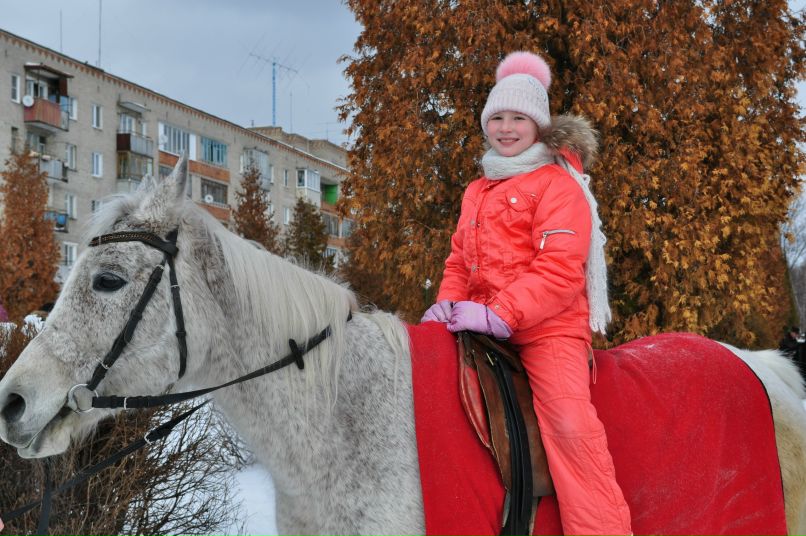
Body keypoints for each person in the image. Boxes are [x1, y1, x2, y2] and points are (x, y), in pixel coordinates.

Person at [422, 51, 632, 535]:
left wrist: (500, 313)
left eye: (519, 117)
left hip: (547, 330)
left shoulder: (559, 185)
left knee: (568, 423)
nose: (506, 127)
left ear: (539, 125)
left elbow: (560, 269)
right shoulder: (478, 189)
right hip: (479, 320)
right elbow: (459, 260)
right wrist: (447, 303)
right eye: (496, 117)